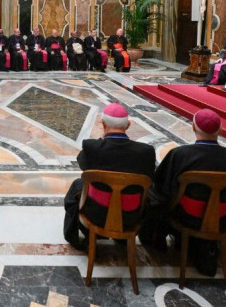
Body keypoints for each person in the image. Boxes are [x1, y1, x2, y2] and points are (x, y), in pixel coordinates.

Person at [139, 109, 226, 275]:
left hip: (186, 215)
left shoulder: (180, 155)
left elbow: (161, 186)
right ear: (220, 130)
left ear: (193, 128)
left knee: (155, 195)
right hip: (222, 216)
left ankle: (155, 238)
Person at [62, 103, 156, 250]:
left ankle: (77, 236)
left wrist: (102, 138)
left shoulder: (92, 147)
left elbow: (83, 164)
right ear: (128, 125)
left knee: (78, 185)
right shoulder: (146, 152)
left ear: (103, 124)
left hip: (97, 214)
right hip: (131, 216)